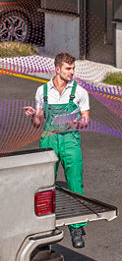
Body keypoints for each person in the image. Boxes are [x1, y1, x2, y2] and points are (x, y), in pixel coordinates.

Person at [24, 53, 90, 248]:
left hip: (70, 140)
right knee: (46, 185)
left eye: (73, 68)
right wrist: (34, 115)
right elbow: (38, 123)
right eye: (68, 69)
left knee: (75, 182)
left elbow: (86, 120)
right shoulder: (42, 91)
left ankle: (76, 228)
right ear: (57, 69)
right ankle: (46, 229)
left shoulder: (80, 92)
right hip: (49, 139)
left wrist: (78, 121)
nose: (72, 72)